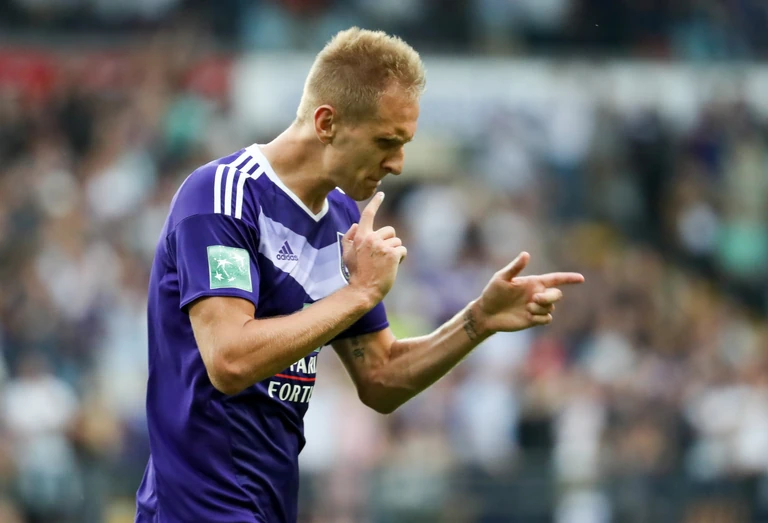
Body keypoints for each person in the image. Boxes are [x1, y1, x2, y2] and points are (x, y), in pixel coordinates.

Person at [134, 27, 584, 523]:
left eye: (404, 143)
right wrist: (360, 292)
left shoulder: (343, 218)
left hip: (267, 505)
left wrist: (478, 320)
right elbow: (229, 359)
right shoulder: (222, 195)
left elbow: (380, 377)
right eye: (386, 141)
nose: (398, 163)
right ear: (327, 122)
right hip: (193, 507)